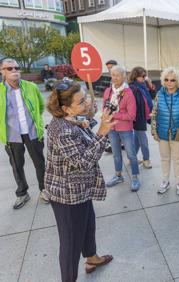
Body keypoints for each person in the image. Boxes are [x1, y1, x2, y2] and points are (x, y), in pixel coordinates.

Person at [45, 81, 114, 282]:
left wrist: (93, 119)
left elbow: (84, 125)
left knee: (88, 225)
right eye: (81, 100)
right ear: (65, 107)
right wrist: (102, 133)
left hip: (81, 188)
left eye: (86, 97)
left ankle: (92, 258)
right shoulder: (61, 130)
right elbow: (83, 162)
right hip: (67, 195)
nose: (87, 102)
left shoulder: (72, 118)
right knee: (70, 242)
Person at [0, 58, 47, 209]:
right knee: (17, 166)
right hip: (12, 136)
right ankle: (22, 193)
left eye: (16, 67)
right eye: (9, 68)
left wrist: (37, 123)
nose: (14, 71)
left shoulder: (31, 87)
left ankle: (44, 190)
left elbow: (40, 106)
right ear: (2, 72)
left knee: (39, 163)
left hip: (32, 132)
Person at [103, 65, 141, 191]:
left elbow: (131, 115)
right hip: (112, 128)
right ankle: (118, 175)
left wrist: (114, 114)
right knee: (116, 155)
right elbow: (104, 107)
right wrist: (105, 114)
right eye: (113, 75)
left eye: (118, 75)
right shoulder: (108, 91)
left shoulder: (128, 93)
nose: (115, 78)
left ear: (124, 77)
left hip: (125, 129)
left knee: (131, 155)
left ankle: (135, 177)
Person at [151, 67, 179, 196]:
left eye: (172, 80)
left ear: (177, 81)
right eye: (166, 79)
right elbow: (154, 113)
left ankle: (178, 183)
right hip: (162, 133)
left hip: (178, 133)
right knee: (165, 159)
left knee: (177, 159)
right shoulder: (159, 95)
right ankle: (165, 181)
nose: (169, 82)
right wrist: (154, 130)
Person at [128, 66, 154, 169]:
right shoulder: (132, 88)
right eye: (142, 76)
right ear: (136, 76)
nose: (144, 78)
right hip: (138, 117)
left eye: (145, 76)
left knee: (137, 140)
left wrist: (151, 86)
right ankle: (146, 159)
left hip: (145, 115)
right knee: (143, 140)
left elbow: (152, 97)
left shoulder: (144, 85)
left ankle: (132, 158)